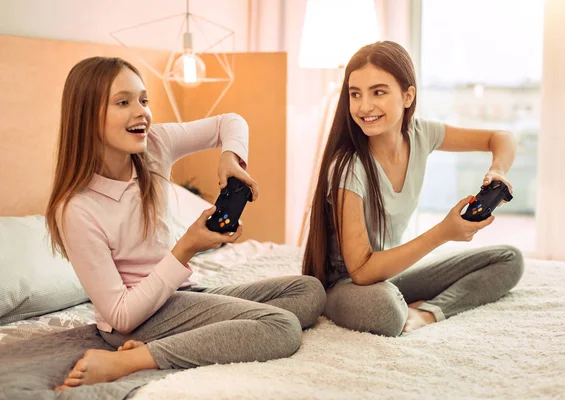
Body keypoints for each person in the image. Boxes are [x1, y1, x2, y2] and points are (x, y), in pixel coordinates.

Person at [46, 56, 326, 390]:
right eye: (124, 102)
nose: (142, 112)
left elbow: (230, 122)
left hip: (179, 296)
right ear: (86, 117)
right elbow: (121, 315)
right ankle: (130, 359)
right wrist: (187, 247)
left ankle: (195, 335)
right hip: (135, 322)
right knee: (281, 327)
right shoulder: (77, 209)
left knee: (308, 291)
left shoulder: (155, 145)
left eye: (144, 100)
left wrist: (230, 158)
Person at [302, 41, 524, 337]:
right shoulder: (348, 167)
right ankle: (403, 305)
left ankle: (426, 312)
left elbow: (501, 137)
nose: (364, 106)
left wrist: (496, 170)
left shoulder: (421, 134)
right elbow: (362, 271)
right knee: (385, 312)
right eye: (355, 94)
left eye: (378, 92)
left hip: (390, 274)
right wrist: (444, 232)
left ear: (408, 96)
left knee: (509, 259)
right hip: (347, 286)